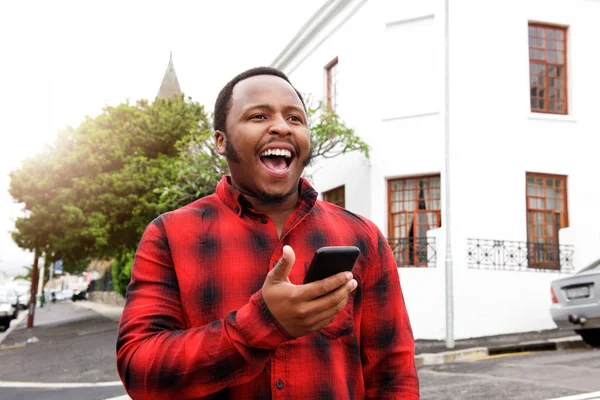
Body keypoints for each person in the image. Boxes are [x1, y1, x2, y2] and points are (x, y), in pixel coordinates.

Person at [116, 67, 419, 399]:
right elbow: (140, 370)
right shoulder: (170, 236)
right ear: (221, 140)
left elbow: (393, 376)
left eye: (295, 119)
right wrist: (263, 323)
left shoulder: (363, 237)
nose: (281, 127)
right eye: (258, 116)